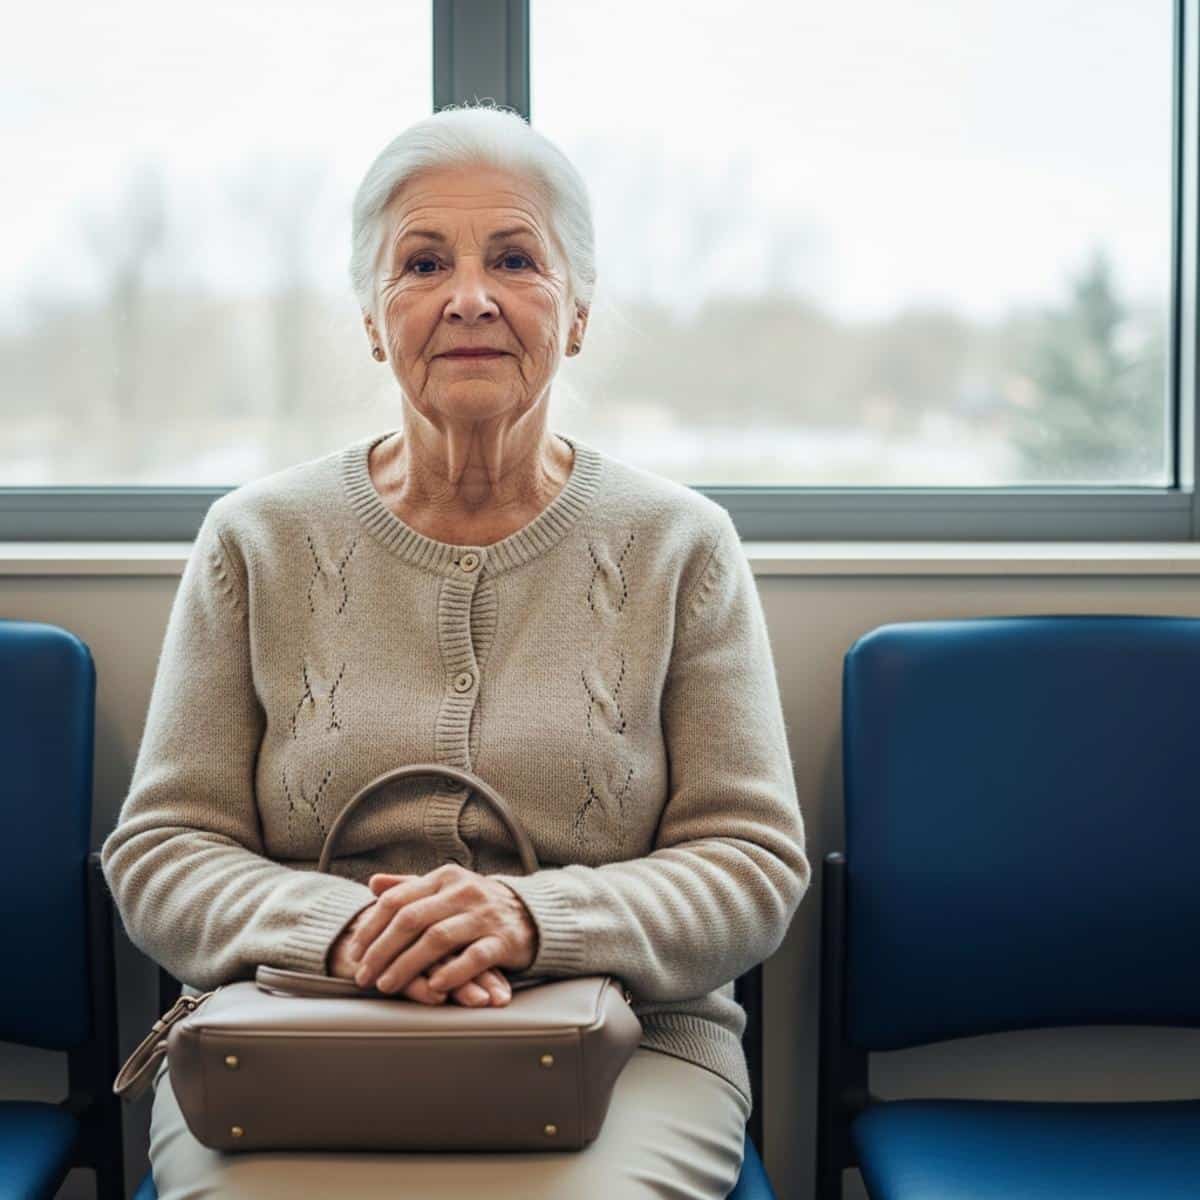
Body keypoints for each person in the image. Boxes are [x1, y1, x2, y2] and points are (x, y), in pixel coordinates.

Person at [101, 100, 811, 1199]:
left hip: (626, 1049)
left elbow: (752, 865)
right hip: (299, 1033)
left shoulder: (681, 545)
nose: (470, 296)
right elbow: (160, 851)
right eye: (423, 261)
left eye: (516, 258)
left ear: (574, 312)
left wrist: (536, 920)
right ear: (374, 319)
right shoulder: (256, 540)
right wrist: (352, 932)